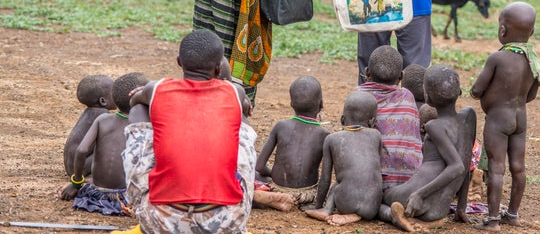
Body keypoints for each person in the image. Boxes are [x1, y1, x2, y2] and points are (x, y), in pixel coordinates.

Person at [112, 29, 254, 234]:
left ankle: (138, 194)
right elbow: (241, 102)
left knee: (138, 109)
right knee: (239, 119)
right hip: (227, 223)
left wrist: (145, 96)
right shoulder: (234, 92)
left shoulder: (157, 88)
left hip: (161, 222)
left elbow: (134, 100)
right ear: (218, 68)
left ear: (179, 62)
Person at [470, 1, 540, 230]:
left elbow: (477, 90)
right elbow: (532, 94)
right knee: (518, 167)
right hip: (520, 118)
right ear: (531, 32)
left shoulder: (497, 58)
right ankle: (512, 214)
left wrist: (483, 96)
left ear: (502, 30)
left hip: (497, 120)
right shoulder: (533, 59)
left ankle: (493, 219)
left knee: (496, 167)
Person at [379, 64, 477, 232]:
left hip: (414, 196)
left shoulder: (434, 126)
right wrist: (461, 206)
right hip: (440, 208)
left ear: (428, 98)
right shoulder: (469, 116)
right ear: (459, 92)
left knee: (377, 198)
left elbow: (457, 165)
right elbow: (466, 158)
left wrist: (419, 195)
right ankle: (417, 218)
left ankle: (392, 215)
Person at [60, 72, 149, 216]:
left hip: (96, 193)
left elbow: (82, 150)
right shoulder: (141, 126)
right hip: (126, 196)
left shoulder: (102, 119)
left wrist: (76, 183)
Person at [305, 91, 383, 226]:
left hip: (346, 201)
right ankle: (357, 215)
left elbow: (325, 179)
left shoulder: (332, 139)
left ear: (342, 120)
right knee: (361, 178)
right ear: (373, 122)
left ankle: (326, 209)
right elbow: (375, 169)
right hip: (373, 206)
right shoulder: (376, 136)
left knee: (339, 184)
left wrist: (317, 204)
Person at [255, 75, 330, 208]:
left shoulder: (281, 126)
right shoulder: (324, 135)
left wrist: (275, 174)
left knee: (253, 176)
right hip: (307, 195)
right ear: (321, 104)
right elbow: (325, 177)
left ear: (291, 103)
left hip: (278, 188)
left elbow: (259, 167)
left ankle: (275, 199)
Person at [358, 45, 422, 191]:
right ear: (401, 77)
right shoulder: (408, 96)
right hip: (409, 183)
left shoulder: (359, 97)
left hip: (372, 182)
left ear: (367, 72)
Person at [64, 75, 116, 177]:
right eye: (113, 92)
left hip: (73, 167)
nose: (116, 94)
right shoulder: (103, 115)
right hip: (80, 169)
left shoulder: (89, 113)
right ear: (103, 101)